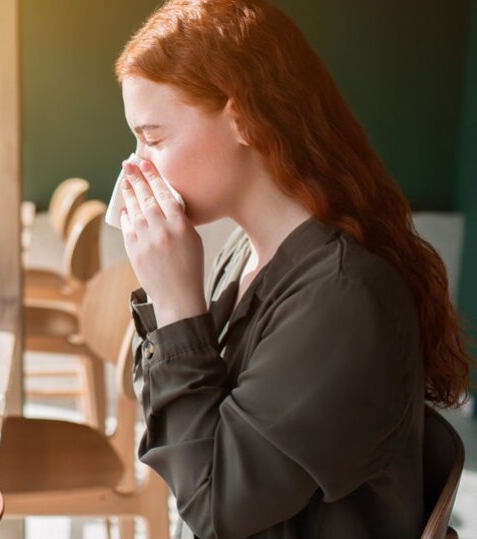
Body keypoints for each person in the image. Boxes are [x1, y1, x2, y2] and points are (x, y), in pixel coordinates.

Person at [113, 0, 473, 537]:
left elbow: (215, 507)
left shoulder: (343, 297)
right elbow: (182, 442)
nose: (136, 164)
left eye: (154, 137)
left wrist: (177, 306)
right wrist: (171, 302)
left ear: (243, 120)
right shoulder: (244, 250)